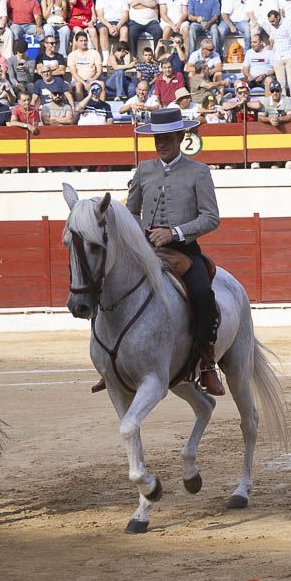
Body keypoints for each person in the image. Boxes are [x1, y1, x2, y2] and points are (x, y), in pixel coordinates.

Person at [125, 107, 224, 396]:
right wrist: (140, 234)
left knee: (203, 294)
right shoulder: (144, 169)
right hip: (146, 249)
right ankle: (113, 361)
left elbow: (211, 217)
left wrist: (174, 233)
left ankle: (207, 362)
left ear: (181, 136)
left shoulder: (199, 171)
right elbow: (131, 211)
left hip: (183, 249)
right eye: (157, 138)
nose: (160, 144)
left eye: (167, 137)